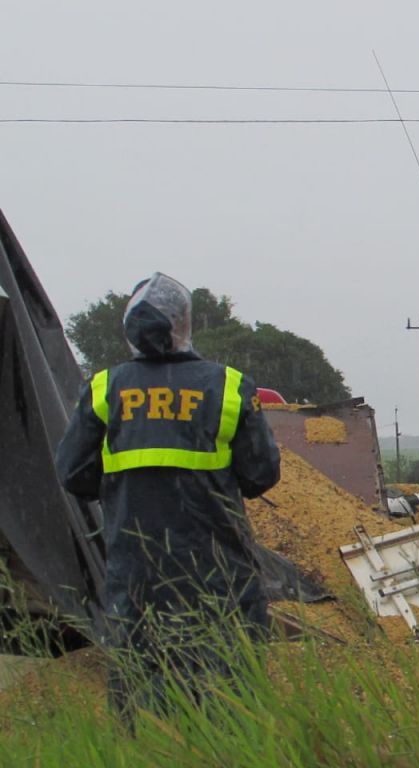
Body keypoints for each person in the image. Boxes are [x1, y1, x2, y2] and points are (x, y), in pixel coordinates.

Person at [55, 272, 281, 719]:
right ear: (184, 323)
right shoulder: (230, 387)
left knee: (144, 715)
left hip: (138, 580)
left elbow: (74, 475)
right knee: (232, 710)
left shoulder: (105, 389)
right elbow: (260, 477)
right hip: (219, 580)